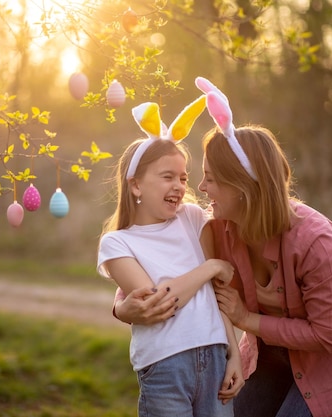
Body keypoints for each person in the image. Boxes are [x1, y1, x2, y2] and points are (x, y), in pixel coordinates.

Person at [113, 76, 332, 417]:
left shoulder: (315, 241)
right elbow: (153, 258)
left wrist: (245, 318)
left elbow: (328, 335)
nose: (200, 186)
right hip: (271, 350)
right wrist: (123, 307)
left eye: (210, 178)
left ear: (242, 187)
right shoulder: (218, 227)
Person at [97, 97, 244, 417]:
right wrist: (210, 267)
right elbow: (158, 304)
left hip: (216, 360)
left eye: (183, 178)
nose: (179, 186)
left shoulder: (192, 218)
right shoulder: (117, 243)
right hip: (165, 368)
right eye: (167, 176)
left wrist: (234, 353)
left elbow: (216, 296)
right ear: (135, 184)